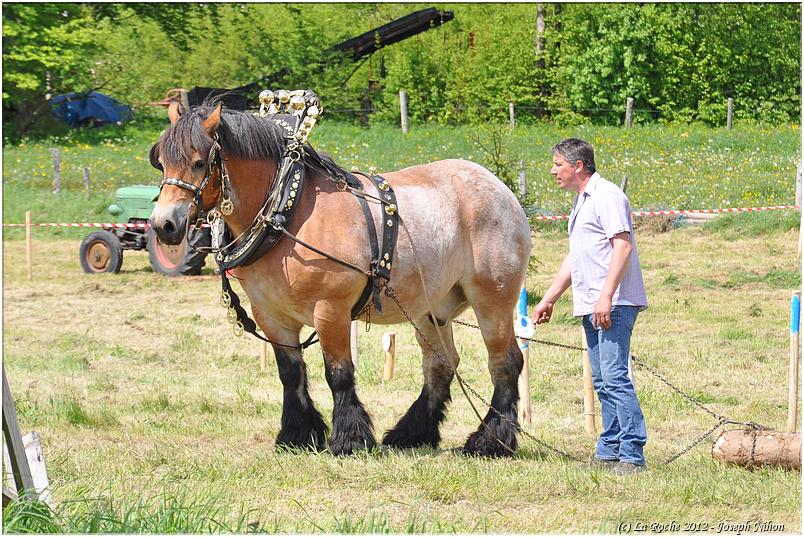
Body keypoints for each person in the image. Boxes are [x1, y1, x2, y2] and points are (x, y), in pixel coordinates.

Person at [531, 138, 648, 475]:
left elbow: (622, 246)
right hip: (593, 303)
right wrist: (549, 298)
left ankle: (632, 453)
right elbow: (577, 257)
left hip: (613, 303)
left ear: (578, 166)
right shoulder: (583, 201)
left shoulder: (606, 195)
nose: (553, 171)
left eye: (558, 164)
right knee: (601, 379)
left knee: (614, 377)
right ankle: (609, 449)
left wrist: (606, 296)